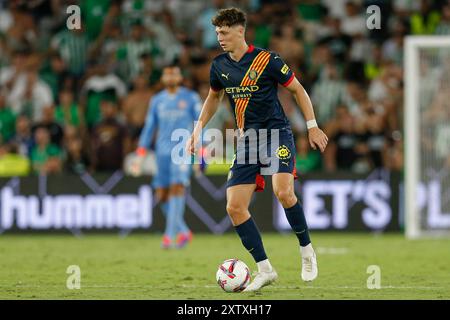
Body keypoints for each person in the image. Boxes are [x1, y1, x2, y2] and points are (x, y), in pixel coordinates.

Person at [186, 8, 328, 292]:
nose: (220, 38)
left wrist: (312, 126)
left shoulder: (268, 60)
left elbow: (298, 90)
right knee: (234, 207)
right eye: (217, 33)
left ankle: (306, 250)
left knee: (284, 192)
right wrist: (198, 128)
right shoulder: (219, 66)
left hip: (276, 135)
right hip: (248, 142)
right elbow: (214, 98)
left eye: (224, 32)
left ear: (240, 31)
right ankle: (265, 269)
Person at [132, 64, 201, 249]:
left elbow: (201, 124)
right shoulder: (157, 100)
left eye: (174, 73)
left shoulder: (190, 97)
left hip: (182, 150)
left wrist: (200, 154)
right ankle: (184, 232)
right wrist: (140, 154)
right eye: (167, 74)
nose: (170, 77)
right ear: (163, 78)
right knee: (162, 195)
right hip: (161, 151)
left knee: (177, 188)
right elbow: (149, 127)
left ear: (180, 77)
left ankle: (169, 236)